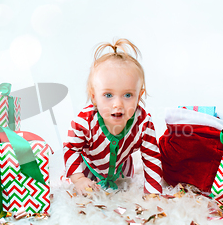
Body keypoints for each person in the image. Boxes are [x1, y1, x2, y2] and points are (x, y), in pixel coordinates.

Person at [63, 38, 164, 196]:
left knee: (125, 192)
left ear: (139, 97)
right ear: (94, 96)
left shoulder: (143, 122)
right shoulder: (84, 121)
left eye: (128, 95)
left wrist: (153, 193)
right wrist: (78, 179)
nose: (118, 104)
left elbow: (152, 157)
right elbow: (71, 148)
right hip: (88, 169)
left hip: (120, 172)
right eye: (108, 95)